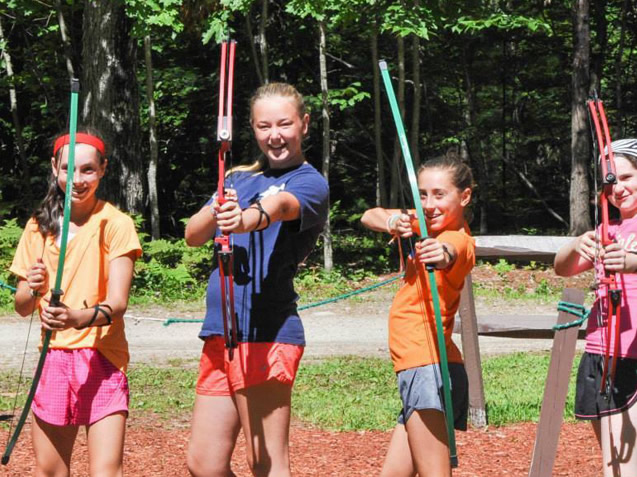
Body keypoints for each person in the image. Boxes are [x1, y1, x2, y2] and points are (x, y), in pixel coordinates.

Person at [185, 82, 329, 477]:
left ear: (304, 124)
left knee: (264, 462)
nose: (275, 135)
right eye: (264, 126)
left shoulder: (309, 182)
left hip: (266, 332)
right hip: (221, 333)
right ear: (252, 128)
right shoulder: (237, 179)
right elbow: (193, 235)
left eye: (284, 124)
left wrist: (244, 218)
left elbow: (280, 206)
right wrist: (219, 207)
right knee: (204, 464)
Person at [10, 129, 142, 476]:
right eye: (69, 169)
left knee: (105, 471)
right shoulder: (38, 226)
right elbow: (22, 306)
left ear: (103, 169)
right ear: (55, 168)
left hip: (103, 357)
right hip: (53, 358)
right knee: (50, 471)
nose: (78, 179)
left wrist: (75, 318)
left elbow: (117, 303)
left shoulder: (116, 224)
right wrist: (32, 288)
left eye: (88, 170)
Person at [361, 152, 474, 477]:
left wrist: (439, 253)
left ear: (464, 196)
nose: (429, 204)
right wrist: (392, 222)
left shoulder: (457, 239)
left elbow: (450, 252)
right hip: (429, 366)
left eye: (440, 194)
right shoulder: (423, 221)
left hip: (427, 367)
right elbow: (369, 215)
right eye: (423, 195)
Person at [554, 138, 637, 476]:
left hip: (632, 354)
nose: (618, 188)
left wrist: (631, 262)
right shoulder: (606, 229)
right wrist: (577, 243)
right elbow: (563, 268)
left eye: (627, 177)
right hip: (601, 351)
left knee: (620, 465)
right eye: (609, 181)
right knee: (616, 458)